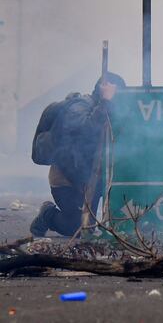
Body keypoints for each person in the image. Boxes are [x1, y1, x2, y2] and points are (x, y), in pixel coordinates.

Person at [29, 72, 126, 237]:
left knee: (88, 226)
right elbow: (85, 132)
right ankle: (48, 214)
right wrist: (106, 102)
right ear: (103, 91)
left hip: (90, 177)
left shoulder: (107, 110)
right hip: (67, 179)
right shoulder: (78, 107)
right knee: (76, 227)